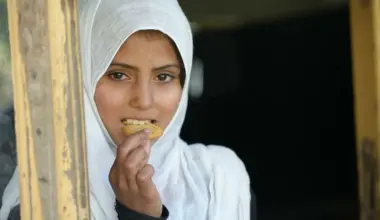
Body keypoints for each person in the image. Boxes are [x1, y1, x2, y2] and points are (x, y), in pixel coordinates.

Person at [0, 0, 253, 219]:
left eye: (164, 77)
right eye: (118, 75)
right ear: (82, 78)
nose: (143, 101)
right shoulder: (44, 199)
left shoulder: (219, 184)